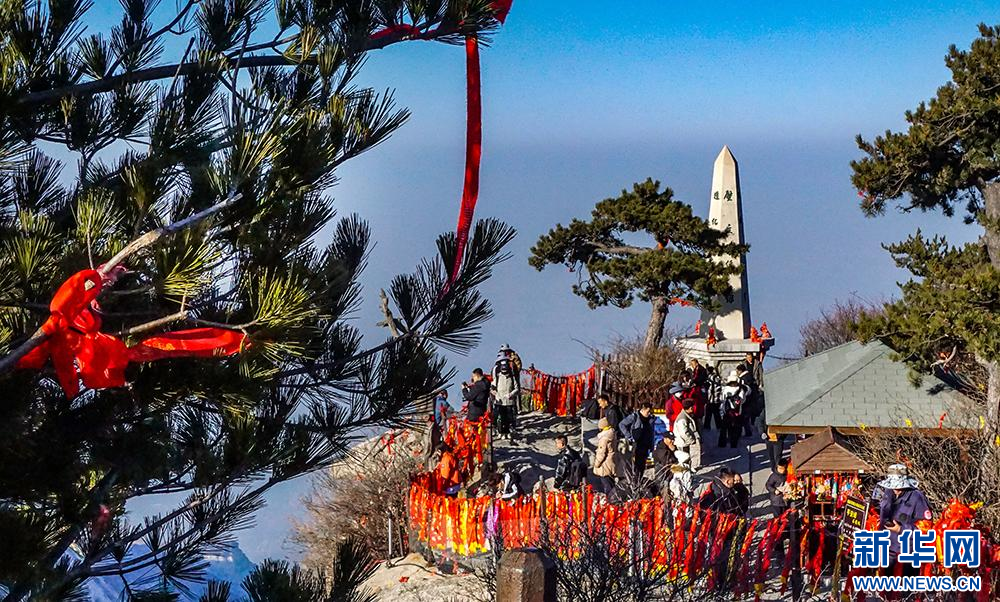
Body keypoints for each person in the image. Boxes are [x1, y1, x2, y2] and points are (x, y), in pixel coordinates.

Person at [877, 464, 933, 572]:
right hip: (888, 549)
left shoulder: (917, 497)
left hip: (908, 553)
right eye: (893, 486)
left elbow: (926, 528)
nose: (896, 490)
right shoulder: (888, 493)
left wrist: (901, 529)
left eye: (899, 487)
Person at [620, 402, 656, 478]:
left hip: (646, 444)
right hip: (636, 444)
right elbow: (622, 424)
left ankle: (639, 478)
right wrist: (629, 436)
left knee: (642, 465)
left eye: (650, 411)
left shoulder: (651, 419)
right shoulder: (635, 417)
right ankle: (634, 479)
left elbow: (652, 432)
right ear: (643, 410)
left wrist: (652, 445)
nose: (649, 413)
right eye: (647, 411)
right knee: (635, 464)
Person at [492, 352, 521, 440]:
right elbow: (492, 387)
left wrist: (511, 394)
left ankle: (507, 432)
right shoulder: (498, 377)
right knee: (501, 417)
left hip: (509, 401)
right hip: (500, 401)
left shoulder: (512, 377)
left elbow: (517, 388)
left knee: (509, 417)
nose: (505, 372)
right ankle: (501, 432)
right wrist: (495, 394)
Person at [592, 417, 625, 495]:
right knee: (611, 484)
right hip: (611, 462)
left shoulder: (604, 439)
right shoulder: (612, 434)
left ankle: (611, 500)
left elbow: (601, 453)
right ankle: (614, 498)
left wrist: (597, 464)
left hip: (605, 465)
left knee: (607, 486)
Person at [718, 371, 747, 448]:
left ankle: (722, 443)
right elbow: (743, 400)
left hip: (726, 411)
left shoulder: (725, 389)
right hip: (737, 412)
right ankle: (733, 443)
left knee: (724, 428)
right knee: (735, 428)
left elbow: (721, 399)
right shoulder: (740, 389)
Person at [672, 397, 701, 470]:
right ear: (690, 408)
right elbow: (684, 433)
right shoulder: (682, 418)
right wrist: (691, 440)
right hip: (683, 443)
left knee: (688, 460)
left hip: (685, 442)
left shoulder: (687, 415)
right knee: (684, 460)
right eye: (692, 407)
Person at [703, 365, 723, 431]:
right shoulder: (717, 377)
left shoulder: (710, 377)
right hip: (716, 398)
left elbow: (708, 387)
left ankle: (707, 426)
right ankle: (719, 426)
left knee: (709, 414)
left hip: (711, 398)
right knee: (716, 413)